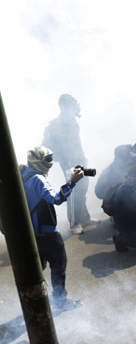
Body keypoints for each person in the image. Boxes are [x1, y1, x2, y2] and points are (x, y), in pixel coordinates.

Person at [20, 146, 84, 310]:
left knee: (37, 269)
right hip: (46, 233)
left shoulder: (23, 176)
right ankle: (60, 302)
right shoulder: (37, 179)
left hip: (32, 233)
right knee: (58, 267)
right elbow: (56, 198)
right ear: (38, 162)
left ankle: (35, 302)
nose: (51, 163)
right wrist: (72, 182)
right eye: (48, 159)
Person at [41, 93, 95, 235]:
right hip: (69, 164)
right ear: (64, 107)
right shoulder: (56, 125)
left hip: (80, 160)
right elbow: (52, 148)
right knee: (73, 193)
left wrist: (83, 158)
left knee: (82, 190)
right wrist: (66, 163)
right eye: (72, 105)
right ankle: (74, 224)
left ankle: (84, 218)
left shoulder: (72, 122)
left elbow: (76, 143)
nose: (76, 108)